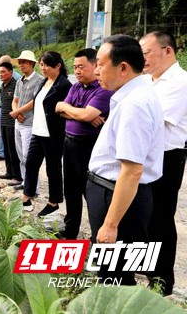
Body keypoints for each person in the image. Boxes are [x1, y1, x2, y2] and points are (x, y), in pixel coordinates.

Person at [86, 34, 164, 286]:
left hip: (118, 198)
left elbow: (132, 171)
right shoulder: (130, 95)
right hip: (112, 192)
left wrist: (110, 225)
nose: (96, 70)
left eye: (100, 63)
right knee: (113, 272)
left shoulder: (135, 104)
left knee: (115, 276)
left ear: (123, 68)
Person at [140, 31, 187, 295]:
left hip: (167, 158)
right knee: (144, 217)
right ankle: (148, 270)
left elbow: (154, 119)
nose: (142, 58)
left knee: (161, 220)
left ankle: (162, 283)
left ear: (167, 51)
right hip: (145, 157)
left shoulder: (180, 82)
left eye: (146, 52)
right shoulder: (148, 80)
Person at [55, 49, 113, 238]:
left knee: (91, 191)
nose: (77, 71)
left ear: (95, 65)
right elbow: (59, 108)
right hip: (69, 143)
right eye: (75, 67)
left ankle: (98, 233)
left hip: (88, 145)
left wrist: (79, 114)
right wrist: (83, 115)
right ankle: (71, 229)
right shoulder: (76, 87)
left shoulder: (103, 89)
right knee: (71, 189)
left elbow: (84, 113)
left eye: (81, 67)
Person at [20, 51, 72, 216]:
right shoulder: (43, 82)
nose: (43, 68)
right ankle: (26, 196)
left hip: (53, 134)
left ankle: (53, 202)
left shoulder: (64, 85)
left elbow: (68, 108)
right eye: (41, 65)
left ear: (58, 66)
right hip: (37, 131)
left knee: (53, 169)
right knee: (31, 164)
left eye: (47, 65)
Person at [8, 50, 44, 190]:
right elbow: (15, 100)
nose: (21, 65)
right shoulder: (19, 81)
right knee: (21, 155)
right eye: (20, 62)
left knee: (29, 156)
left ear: (32, 64)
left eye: (24, 62)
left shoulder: (39, 81)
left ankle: (33, 187)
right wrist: (17, 113)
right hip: (19, 121)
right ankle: (25, 182)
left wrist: (18, 111)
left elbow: (35, 102)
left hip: (30, 123)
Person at [0, 62, 21, 188]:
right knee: (6, 148)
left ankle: (17, 176)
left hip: (13, 122)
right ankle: (9, 172)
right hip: (4, 121)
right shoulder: (2, 86)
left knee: (13, 149)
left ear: (11, 73)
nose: (1, 74)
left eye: (3, 72)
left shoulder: (16, 85)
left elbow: (19, 102)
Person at [0, 55, 21, 162]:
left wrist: (17, 111)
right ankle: (2, 152)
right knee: (1, 132)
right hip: (1, 108)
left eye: (3, 69)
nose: (1, 73)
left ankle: (14, 164)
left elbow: (18, 98)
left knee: (11, 137)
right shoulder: (1, 76)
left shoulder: (17, 78)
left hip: (12, 110)